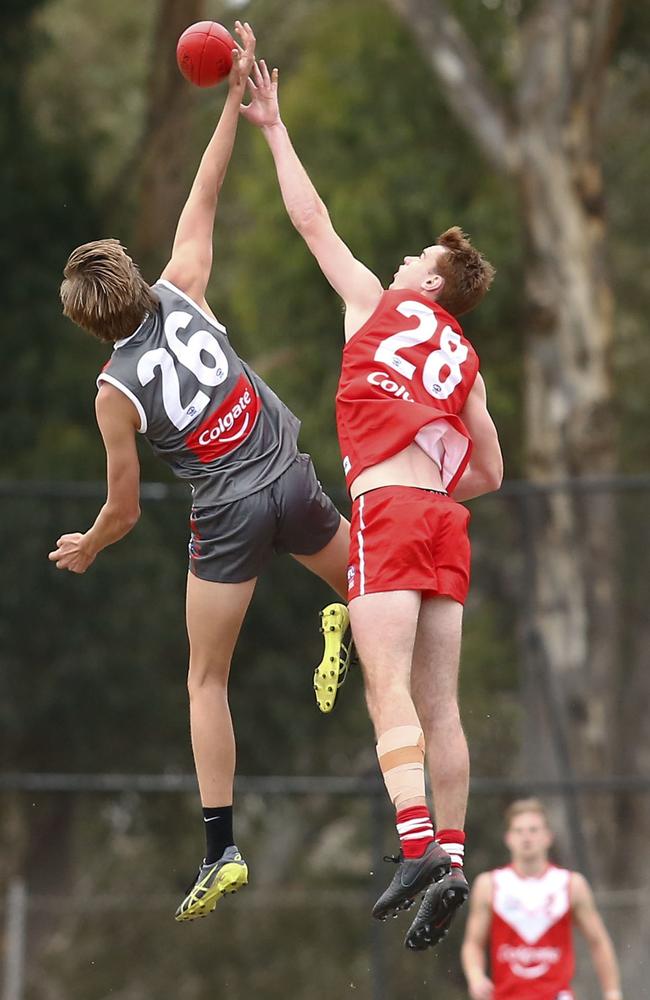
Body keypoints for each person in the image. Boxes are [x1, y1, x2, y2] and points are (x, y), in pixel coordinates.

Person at [49, 23, 350, 923]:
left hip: (226, 519)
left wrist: (92, 544)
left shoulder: (112, 389)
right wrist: (231, 102)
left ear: (88, 324)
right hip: (288, 478)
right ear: (137, 278)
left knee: (205, 682)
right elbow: (207, 187)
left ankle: (221, 848)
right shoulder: (182, 283)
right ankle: (346, 617)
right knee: (378, 592)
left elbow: (126, 508)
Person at [241, 61, 503, 950]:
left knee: (384, 684)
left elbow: (311, 222)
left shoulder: (378, 305)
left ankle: (419, 845)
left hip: (390, 516)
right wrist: (429, 486)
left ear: (429, 285)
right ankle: (457, 860)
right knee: (444, 710)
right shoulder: (464, 359)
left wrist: (274, 127)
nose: (403, 260)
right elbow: (492, 471)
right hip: (443, 521)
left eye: (417, 259)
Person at [461, 799, 623, 1000]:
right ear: (508, 838)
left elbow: (598, 941)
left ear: (548, 837)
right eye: (519, 831)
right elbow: (473, 943)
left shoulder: (571, 884)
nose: (526, 837)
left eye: (533, 830)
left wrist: (612, 993)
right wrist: (475, 976)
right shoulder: (490, 885)